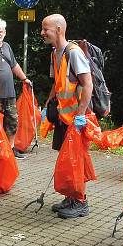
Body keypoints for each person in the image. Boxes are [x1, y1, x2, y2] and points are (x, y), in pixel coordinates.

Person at [40, 14, 94, 219]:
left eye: (46, 29)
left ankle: (81, 202)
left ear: (59, 30)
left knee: (76, 160)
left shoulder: (74, 53)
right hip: (64, 118)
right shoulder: (56, 53)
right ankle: (71, 197)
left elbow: (87, 84)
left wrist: (81, 115)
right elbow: (57, 84)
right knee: (67, 159)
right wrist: (48, 104)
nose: (42, 33)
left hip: (75, 119)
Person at [0, 19, 32, 159]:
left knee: (12, 122)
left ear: (4, 32)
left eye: (0, 31)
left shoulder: (7, 46)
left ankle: (11, 149)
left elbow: (14, 65)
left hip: (9, 93)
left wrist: (24, 78)